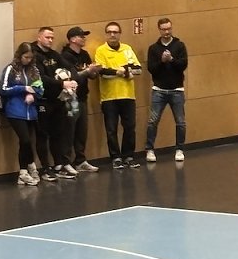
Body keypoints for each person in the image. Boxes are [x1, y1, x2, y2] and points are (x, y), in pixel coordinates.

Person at [31, 26, 78, 181]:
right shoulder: (34, 55)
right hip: (42, 100)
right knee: (42, 135)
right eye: (47, 37)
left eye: (52, 37)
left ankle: (59, 165)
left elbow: (68, 66)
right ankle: (45, 168)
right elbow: (41, 78)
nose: (50, 40)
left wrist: (71, 79)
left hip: (57, 100)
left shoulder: (54, 54)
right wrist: (61, 84)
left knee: (58, 133)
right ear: (39, 37)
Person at [94, 22, 142, 170]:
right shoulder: (101, 50)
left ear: (120, 34)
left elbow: (138, 69)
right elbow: (102, 72)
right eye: (109, 32)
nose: (112, 35)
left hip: (128, 95)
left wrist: (125, 70)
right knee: (111, 129)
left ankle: (128, 156)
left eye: (115, 32)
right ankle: (116, 158)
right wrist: (119, 72)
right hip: (109, 97)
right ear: (106, 34)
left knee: (130, 127)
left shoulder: (127, 49)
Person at [0, 43, 44, 187]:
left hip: (31, 112)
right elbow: (3, 89)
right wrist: (23, 88)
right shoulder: (11, 69)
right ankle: (26, 169)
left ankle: (27, 169)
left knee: (28, 142)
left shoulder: (34, 70)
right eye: (26, 57)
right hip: (15, 111)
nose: (28, 60)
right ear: (20, 56)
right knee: (25, 140)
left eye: (30, 57)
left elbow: (40, 88)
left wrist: (33, 95)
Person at [145, 17, 188, 163]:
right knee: (153, 121)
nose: (167, 32)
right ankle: (150, 150)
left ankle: (179, 149)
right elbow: (151, 69)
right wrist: (162, 61)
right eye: (164, 29)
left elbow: (183, 65)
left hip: (177, 90)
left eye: (169, 28)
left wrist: (172, 60)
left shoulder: (180, 45)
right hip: (159, 90)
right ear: (159, 30)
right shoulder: (153, 48)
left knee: (180, 122)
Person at [61, 27, 100, 173]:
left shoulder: (84, 54)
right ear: (72, 39)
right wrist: (87, 71)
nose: (84, 38)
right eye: (81, 36)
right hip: (70, 99)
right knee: (69, 131)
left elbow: (91, 76)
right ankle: (65, 162)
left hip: (83, 96)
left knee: (82, 131)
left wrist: (94, 71)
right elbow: (73, 77)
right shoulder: (65, 56)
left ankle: (80, 160)